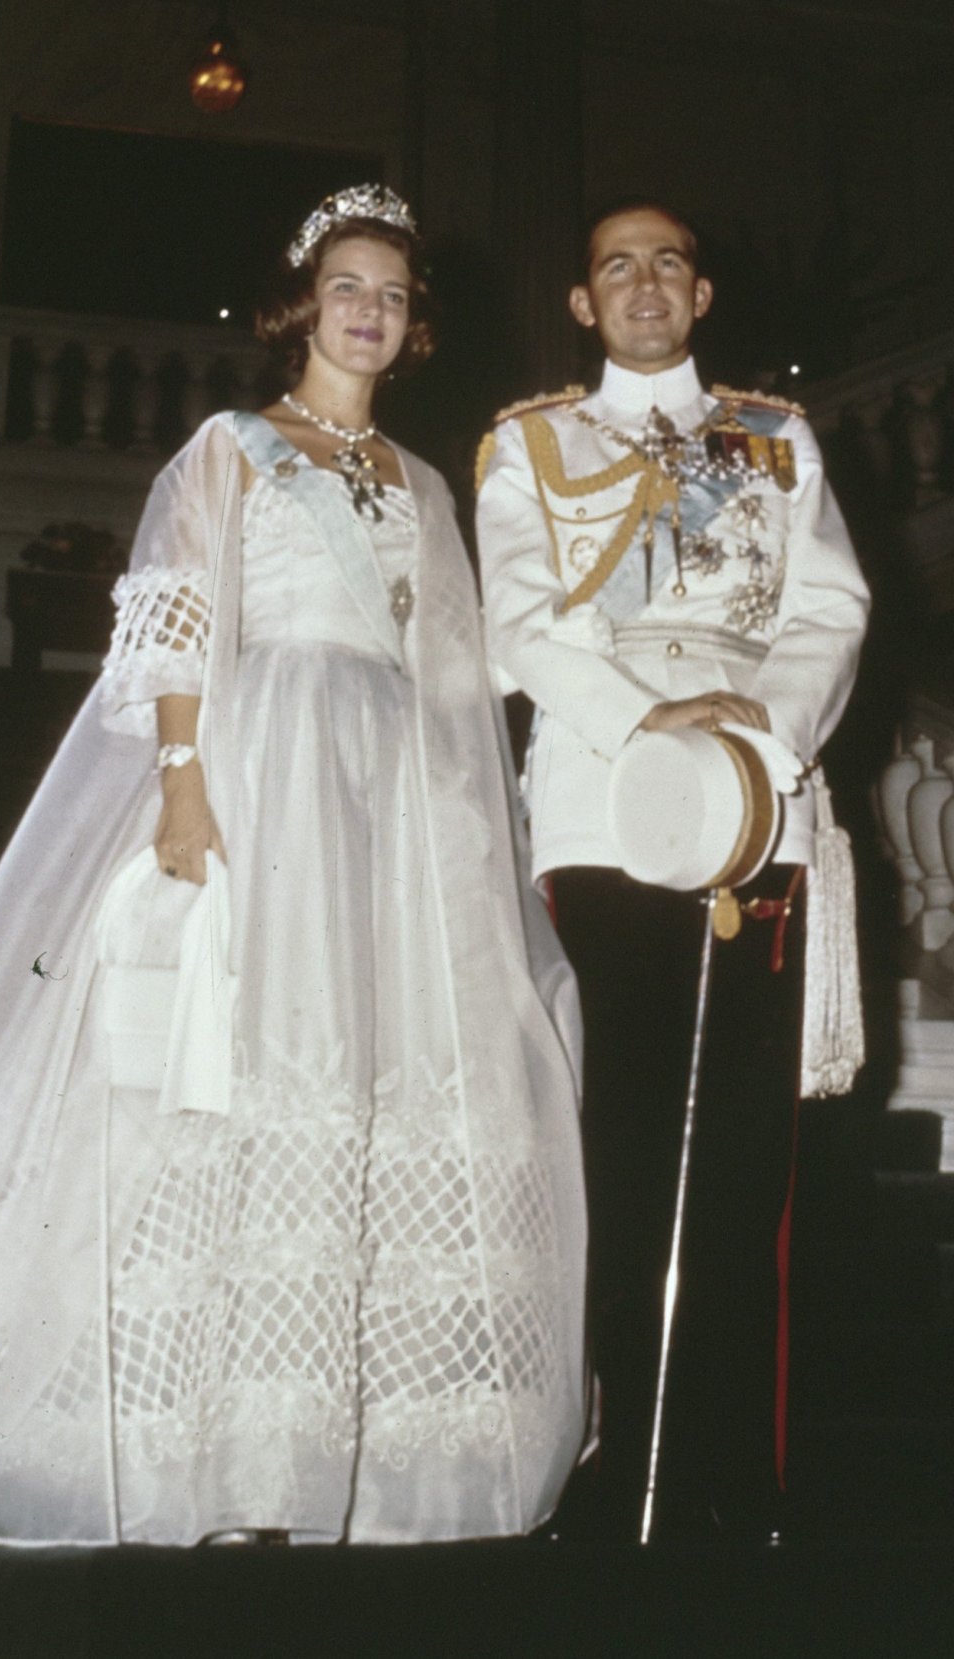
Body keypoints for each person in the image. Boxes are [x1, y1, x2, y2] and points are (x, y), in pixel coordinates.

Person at [0, 185, 588, 1551]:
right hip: (262, 765)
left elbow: (454, 677)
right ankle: (209, 1444)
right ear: (300, 304)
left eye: (392, 292)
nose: (369, 311)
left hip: (388, 799)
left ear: (415, 323)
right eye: (348, 285)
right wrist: (184, 786)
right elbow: (171, 624)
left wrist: (471, 838)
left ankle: (347, 1442)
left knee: (376, 1074)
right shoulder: (230, 449)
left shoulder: (424, 485)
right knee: (236, 1062)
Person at [476, 201, 870, 1540]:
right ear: (584, 305)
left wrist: (761, 731)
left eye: (666, 264)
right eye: (613, 267)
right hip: (606, 813)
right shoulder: (530, 444)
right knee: (617, 1145)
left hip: (754, 812)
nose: (642, 284)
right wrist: (644, 720)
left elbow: (831, 607)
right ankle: (604, 1461)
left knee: (747, 1164)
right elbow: (520, 619)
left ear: (700, 293)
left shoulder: (774, 434)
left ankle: (723, 1490)